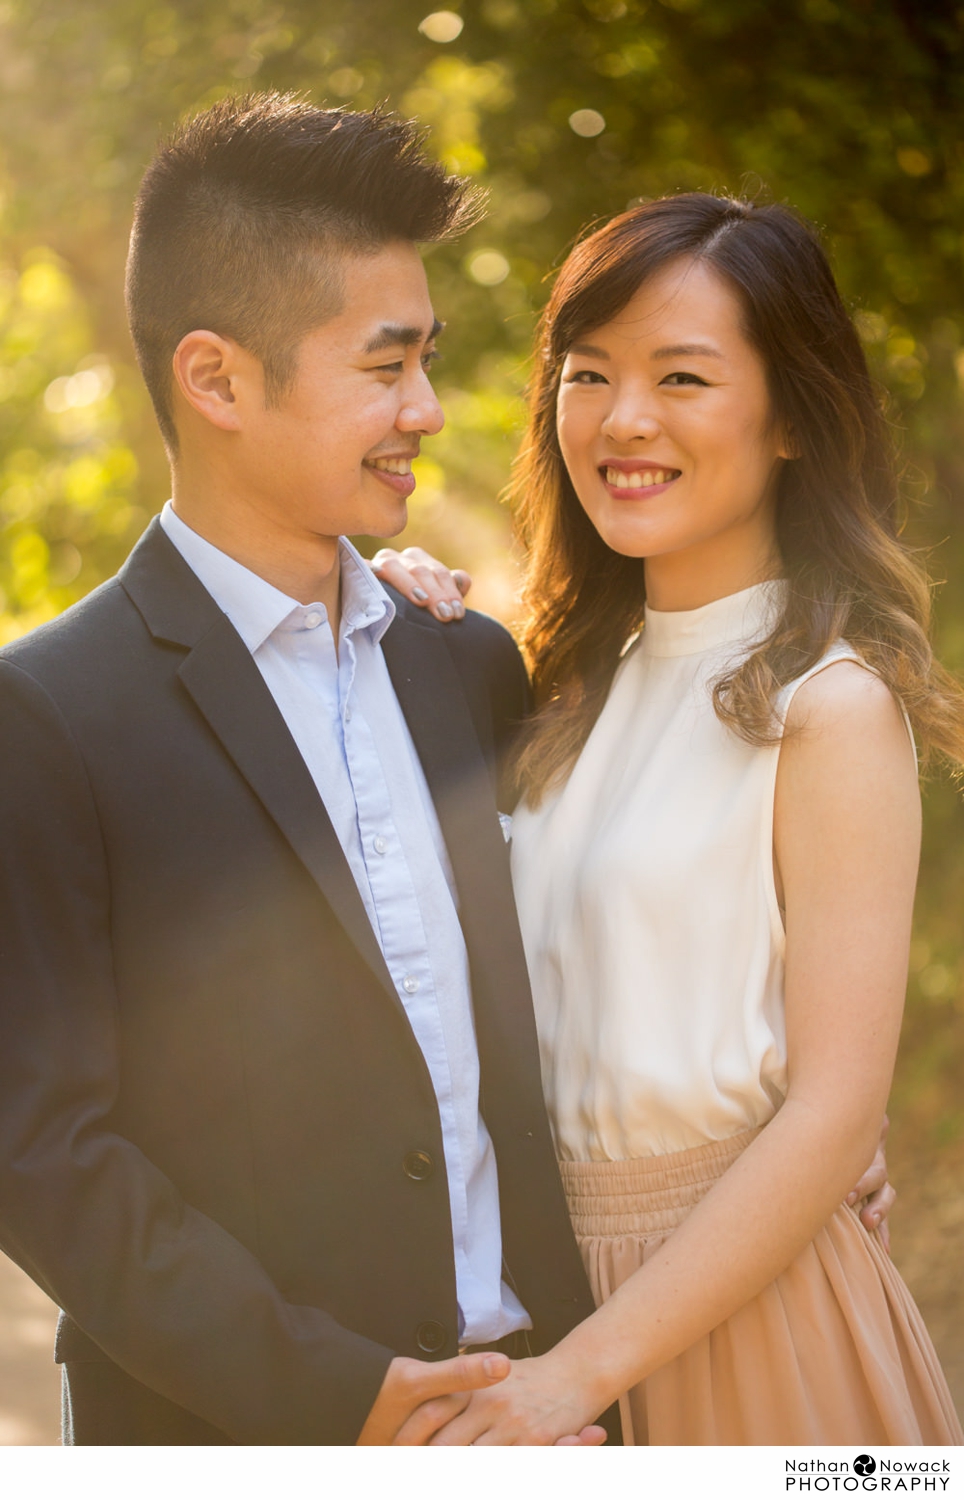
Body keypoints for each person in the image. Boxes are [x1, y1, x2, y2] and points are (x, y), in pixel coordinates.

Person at [0, 93, 619, 1446]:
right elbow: (43, 1152)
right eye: (385, 367)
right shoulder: (43, 717)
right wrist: (344, 1396)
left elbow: (580, 986)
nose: (429, 410)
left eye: (429, 361)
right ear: (215, 379)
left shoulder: (464, 666)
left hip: (555, 1415)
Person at [371, 192, 964, 1444]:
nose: (623, 419)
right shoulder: (563, 689)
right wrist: (365, 606)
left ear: (792, 414)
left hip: (745, 1312)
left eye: (682, 377)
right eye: (589, 375)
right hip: (537, 1291)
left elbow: (832, 1113)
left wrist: (575, 1377)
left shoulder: (828, 707)